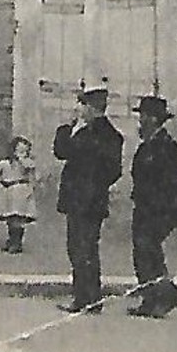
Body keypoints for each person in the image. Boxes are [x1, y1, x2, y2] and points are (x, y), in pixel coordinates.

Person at [53, 84, 124, 314]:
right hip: (79, 199)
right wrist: (69, 126)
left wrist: (93, 186)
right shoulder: (82, 129)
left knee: (84, 249)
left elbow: (113, 170)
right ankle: (87, 297)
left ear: (92, 107)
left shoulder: (108, 135)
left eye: (82, 104)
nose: (78, 108)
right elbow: (60, 151)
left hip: (89, 201)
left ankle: (87, 298)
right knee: (79, 248)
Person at [127, 96, 177, 318]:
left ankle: (167, 295)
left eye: (144, 116)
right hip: (144, 207)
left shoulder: (167, 147)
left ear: (153, 119)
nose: (140, 120)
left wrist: (169, 209)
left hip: (159, 209)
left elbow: (172, 181)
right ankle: (150, 300)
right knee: (143, 253)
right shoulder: (147, 145)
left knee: (148, 250)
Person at [0, 135, 40, 254]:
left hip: (20, 191)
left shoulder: (27, 163)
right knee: (10, 217)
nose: (21, 154)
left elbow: (33, 174)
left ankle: (17, 241)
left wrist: (23, 160)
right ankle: (11, 239)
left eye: (24, 151)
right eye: (18, 151)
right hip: (8, 191)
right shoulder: (5, 163)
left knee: (18, 217)